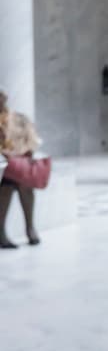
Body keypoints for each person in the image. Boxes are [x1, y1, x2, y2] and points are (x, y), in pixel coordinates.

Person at [0, 90, 41, 249]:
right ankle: (1, 231)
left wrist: (24, 152)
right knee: (7, 186)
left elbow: (31, 139)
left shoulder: (18, 119)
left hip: (18, 163)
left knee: (25, 184)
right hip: (4, 164)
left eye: (2, 97)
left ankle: (30, 227)